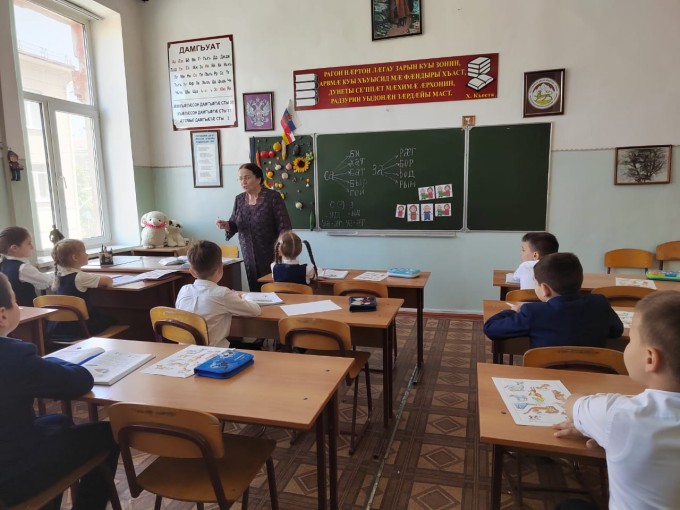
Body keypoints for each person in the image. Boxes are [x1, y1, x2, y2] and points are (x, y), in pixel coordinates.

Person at [0, 273, 119, 509]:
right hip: (12, 475)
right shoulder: (14, 356)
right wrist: (50, 362)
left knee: (59, 421)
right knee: (110, 434)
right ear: (2, 315)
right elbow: (80, 381)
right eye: (15, 300)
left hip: (10, 451)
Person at [553, 291, 680, 509]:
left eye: (630, 341)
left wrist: (598, 427)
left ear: (650, 358)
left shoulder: (619, 413)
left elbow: (572, 403)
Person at [484, 253, 624, 348]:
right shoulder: (599, 303)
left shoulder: (533, 313)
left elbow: (490, 328)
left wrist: (513, 311)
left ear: (545, 289)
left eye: (535, 282)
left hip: (545, 377)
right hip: (593, 377)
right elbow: (617, 331)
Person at [216, 163, 292, 291]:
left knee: (274, 289)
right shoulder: (239, 200)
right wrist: (226, 225)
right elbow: (234, 224)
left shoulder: (273, 197)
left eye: (247, 178)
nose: (243, 182)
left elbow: (284, 226)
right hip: (248, 253)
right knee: (255, 289)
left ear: (258, 179)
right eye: (240, 178)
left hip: (271, 253)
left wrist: (283, 249)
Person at [176, 240, 261, 347]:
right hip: (214, 353)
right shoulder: (222, 294)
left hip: (185, 352)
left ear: (192, 272)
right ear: (221, 268)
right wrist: (245, 296)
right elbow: (255, 311)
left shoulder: (184, 290)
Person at [50, 239, 115, 340]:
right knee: (114, 319)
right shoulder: (80, 277)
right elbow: (108, 281)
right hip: (81, 327)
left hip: (61, 327)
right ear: (75, 257)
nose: (87, 254)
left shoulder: (58, 275)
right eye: (84, 251)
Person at [0, 226, 52, 306]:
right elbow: (47, 281)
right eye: (29, 243)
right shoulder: (23, 268)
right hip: (29, 310)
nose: (32, 247)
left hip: (11, 309)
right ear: (14, 248)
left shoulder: (3, 262)